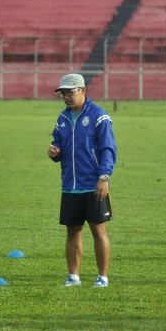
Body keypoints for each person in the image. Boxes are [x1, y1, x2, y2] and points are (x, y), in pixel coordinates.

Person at [48, 73, 117, 288]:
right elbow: (57, 144)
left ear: (83, 90)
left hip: (94, 184)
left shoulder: (99, 116)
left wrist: (103, 177)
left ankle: (102, 277)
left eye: (70, 92)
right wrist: (54, 152)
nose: (66, 97)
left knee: (98, 230)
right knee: (72, 231)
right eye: (63, 93)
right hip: (70, 186)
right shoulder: (62, 118)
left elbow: (108, 149)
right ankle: (73, 276)